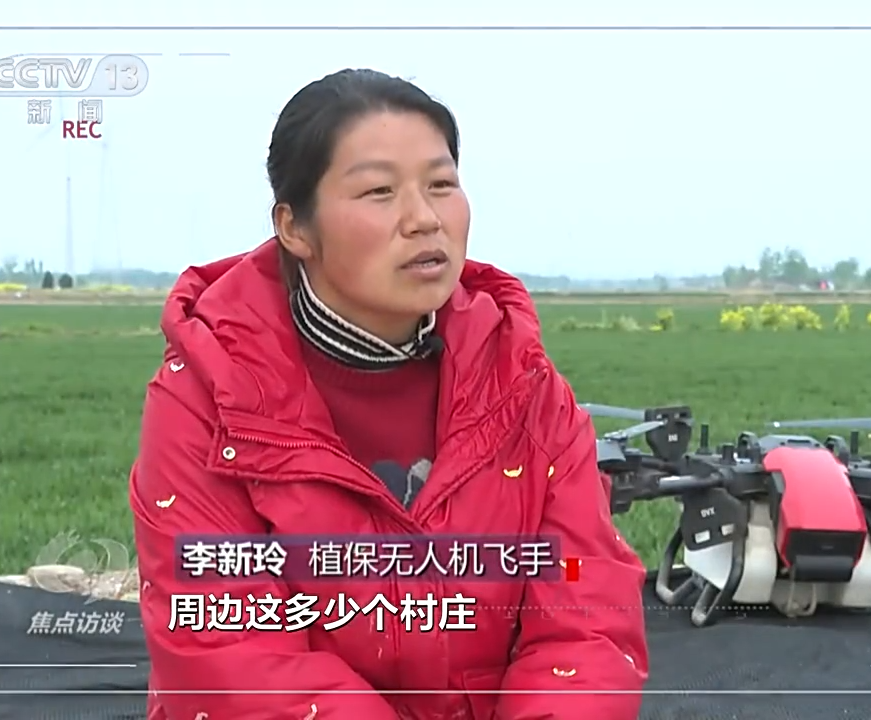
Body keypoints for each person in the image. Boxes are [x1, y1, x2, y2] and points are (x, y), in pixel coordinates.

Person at [129, 69, 649, 720]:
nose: (425, 219)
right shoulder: (208, 398)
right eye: (379, 191)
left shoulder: (523, 385)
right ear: (295, 227)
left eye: (441, 185)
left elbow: (583, 605)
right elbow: (227, 646)